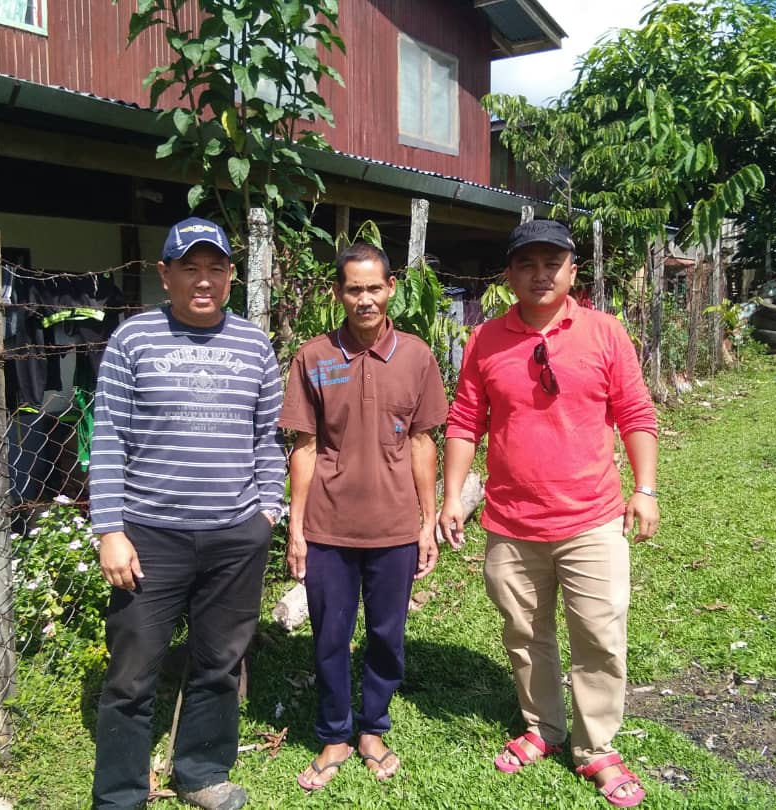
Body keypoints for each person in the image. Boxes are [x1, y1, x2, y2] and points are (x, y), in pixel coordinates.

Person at [438, 220, 658, 808]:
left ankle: (597, 746)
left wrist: (646, 489)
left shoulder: (606, 333)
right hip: (512, 523)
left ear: (572, 272)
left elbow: (635, 412)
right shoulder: (484, 340)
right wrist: (451, 496)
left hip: (591, 517)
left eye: (552, 263)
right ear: (509, 275)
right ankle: (543, 727)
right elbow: (465, 420)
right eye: (527, 264)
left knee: (600, 634)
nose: (540, 274)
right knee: (524, 631)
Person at [89, 216, 285, 810]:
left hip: (235, 536)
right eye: (190, 268)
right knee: (131, 674)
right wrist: (110, 529)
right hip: (150, 537)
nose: (204, 280)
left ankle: (200, 772)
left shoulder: (254, 344)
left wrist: (267, 513)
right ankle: (120, 795)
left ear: (231, 276)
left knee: (219, 663)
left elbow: (267, 438)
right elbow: (108, 437)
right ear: (165, 274)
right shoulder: (133, 340)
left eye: (215, 268)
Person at [277, 242, 448, 791]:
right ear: (338, 293)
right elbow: (304, 447)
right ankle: (334, 734)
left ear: (392, 288)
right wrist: (296, 530)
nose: (366, 299)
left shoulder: (417, 357)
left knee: (386, 635)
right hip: (328, 527)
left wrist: (426, 522)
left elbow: (422, 442)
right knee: (330, 635)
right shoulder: (314, 357)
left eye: (375, 287)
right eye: (354, 289)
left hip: (394, 528)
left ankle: (373, 727)